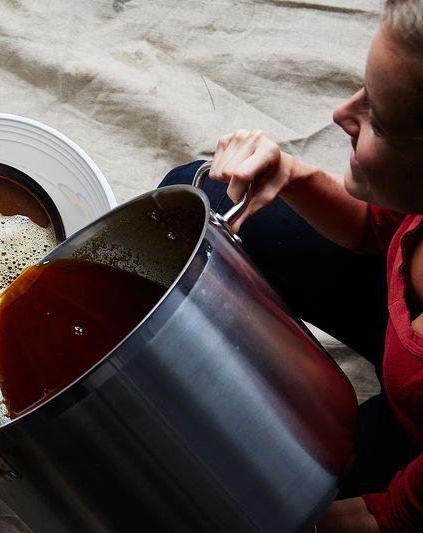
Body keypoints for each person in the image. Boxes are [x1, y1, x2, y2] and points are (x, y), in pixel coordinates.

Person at [161, 1, 423, 531]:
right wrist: (292, 175)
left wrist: (372, 515)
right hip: (404, 353)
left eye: (379, 120)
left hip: (412, 441)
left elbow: (391, 514)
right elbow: (382, 228)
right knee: (203, 192)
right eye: (363, 90)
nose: (341, 115)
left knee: (244, 502)